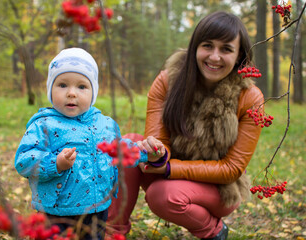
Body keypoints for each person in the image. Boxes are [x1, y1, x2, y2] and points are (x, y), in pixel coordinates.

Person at [107, 11, 264, 240]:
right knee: (129, 144)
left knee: (162, 195)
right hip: (167, 169)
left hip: (218, 188)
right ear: (195, 47)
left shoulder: (250, 97)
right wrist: (157, 155)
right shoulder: (168, 80)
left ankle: (214, 231)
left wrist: (170, 169)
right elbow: (157, 141)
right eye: (207, 46)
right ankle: (111, 234)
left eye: (226, 49)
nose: (215, 56)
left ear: (239, 55)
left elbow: (232, 169)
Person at [14, 48, 165, 240]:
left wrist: (145, 153)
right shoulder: (44, 124)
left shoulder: (105, 124)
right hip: (56, 211)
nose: (71, 93)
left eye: (81, 87)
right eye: (62, 85)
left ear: (93, 91)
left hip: (97, 208)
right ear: (50, 89)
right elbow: (24, 161)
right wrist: (56, 163)